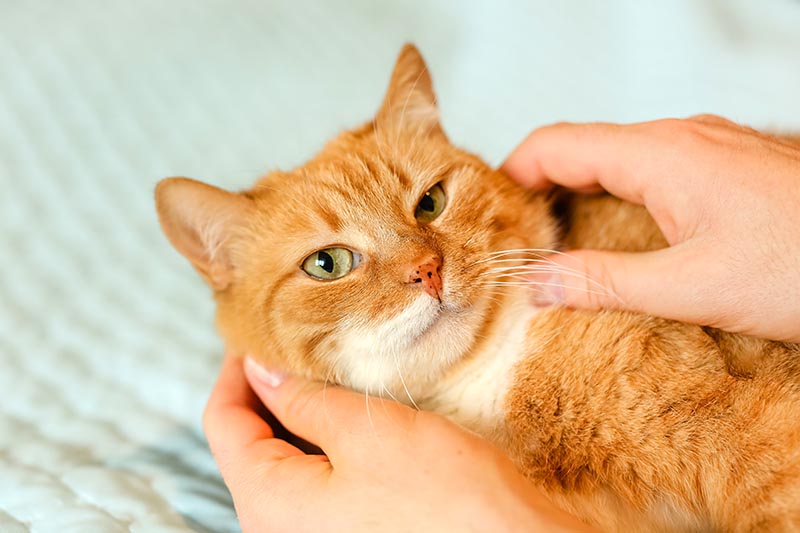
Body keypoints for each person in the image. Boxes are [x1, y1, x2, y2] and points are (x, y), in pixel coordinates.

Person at [203, 116, 800, 532]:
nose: (421, 264)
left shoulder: (580, 348)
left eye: (429, 203)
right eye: (329, 263)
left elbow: (777, 470)